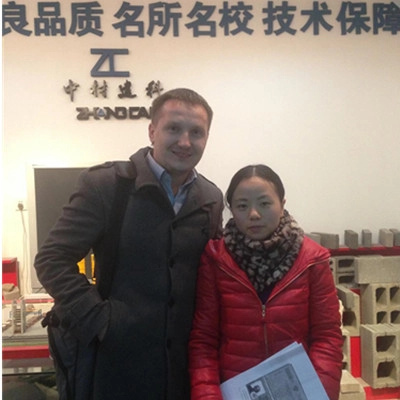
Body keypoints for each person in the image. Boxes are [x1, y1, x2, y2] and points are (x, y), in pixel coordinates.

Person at [34, 88, 224, 400]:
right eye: (173, 128)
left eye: (196, 132)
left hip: (184, 372)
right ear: (152, 131)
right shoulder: (107, 185)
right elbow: (52, 259)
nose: (185, 141)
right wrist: (98, 319)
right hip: (116, 369)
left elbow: (213, 274)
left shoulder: (210, 198)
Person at [189, 164, 343, 400]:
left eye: (264, 203)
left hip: (297, 392)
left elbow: (326, 337)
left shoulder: (312, 260)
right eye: (242, 206)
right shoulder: (216, 259)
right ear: (231, 209)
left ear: (282, 204)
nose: (254, 214)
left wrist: (319, 394)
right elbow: (204, 341)